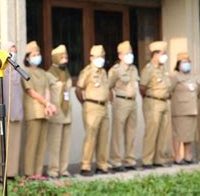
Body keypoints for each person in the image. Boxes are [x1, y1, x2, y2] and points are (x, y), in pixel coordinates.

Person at [22, 41, 57, 177]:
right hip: (33, 111)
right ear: (27, 57)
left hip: (44, 110)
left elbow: (47, 88)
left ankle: (38, 173)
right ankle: (29, 174)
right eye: (34, 54)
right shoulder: (25, 71)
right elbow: (30, 91)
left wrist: (48, 104)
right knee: (32, 143)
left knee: (41, 144)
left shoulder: (43, 72)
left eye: (38, 54)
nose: (37, 56)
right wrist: (46, 103)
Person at [76, 45, 110, 176]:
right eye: (98, 57)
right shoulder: (87, 72)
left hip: (104, 107)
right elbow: (78, 89)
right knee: (90, 137)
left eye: (102, 56)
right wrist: (84, 103)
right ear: (91, 58)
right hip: (91, 107)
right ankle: (85, 165)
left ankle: (102, 165)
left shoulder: (104, 72)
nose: (100, 59)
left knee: (103, 137)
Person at [108, 41, 139, 172]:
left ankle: (130, 160)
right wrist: (111, 101)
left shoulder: (134, 69)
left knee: (131, 132)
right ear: (120, 56)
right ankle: (115, 161)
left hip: (133, 102)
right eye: (127, 53)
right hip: (121, 102)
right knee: (117, 133)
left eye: (131, 52)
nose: (130, 55)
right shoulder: (115, 70)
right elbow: (108, 86)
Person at [140, 41, 171, 169]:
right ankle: (147, 160)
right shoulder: (149, 69)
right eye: (163, 54)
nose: (165, 56)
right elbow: (142, 87)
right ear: (156, 54)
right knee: (151, 132)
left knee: (163, 132)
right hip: (152, 102)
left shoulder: (162, 69)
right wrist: (149, 98)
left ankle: (159, 159)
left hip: (164, 102)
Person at [46, 45, 73, 179]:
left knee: (66, 143)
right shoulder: (49, 75)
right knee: (55, 144)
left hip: (67, 113)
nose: (65, 59)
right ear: (55, 58)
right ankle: (53, 170)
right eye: (62, 57)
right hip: (56, 113)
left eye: (66, 57)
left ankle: (64, 169)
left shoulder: (66, 73)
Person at [0, 41, 24, 179]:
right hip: (4, 113)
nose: (13, 53)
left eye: (15, 50)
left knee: (14, 144)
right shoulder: (0, 68)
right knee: (3, 145)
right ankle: (0, 173)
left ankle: (12, 173)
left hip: (16, 112)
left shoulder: (17, 70)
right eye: (10, 50)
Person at [169, 52, 198, 165]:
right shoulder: (174, 76)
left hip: (192, 108)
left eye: (188, 62)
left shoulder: (191, 76)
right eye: (184, 62)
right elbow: (168, 90)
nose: (187, 64)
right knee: (178, 134)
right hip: (180, 109)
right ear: (179, 64)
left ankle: (188, 156)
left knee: (189, 134)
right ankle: (177, 156)